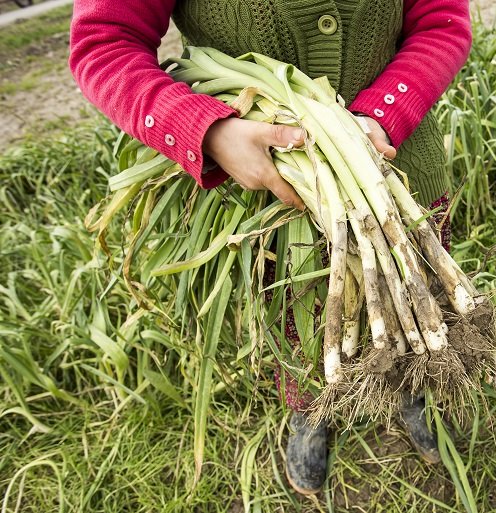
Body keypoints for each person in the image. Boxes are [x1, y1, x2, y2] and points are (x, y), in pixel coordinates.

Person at [69, 0, 472, 496]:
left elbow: (441, 23)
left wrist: (380, 116)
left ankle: (420, 382)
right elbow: (104, 43)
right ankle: (312, 409)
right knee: (297, 321)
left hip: (399, 176)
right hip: (268, 202)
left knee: (417, 291)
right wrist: (210, 131)